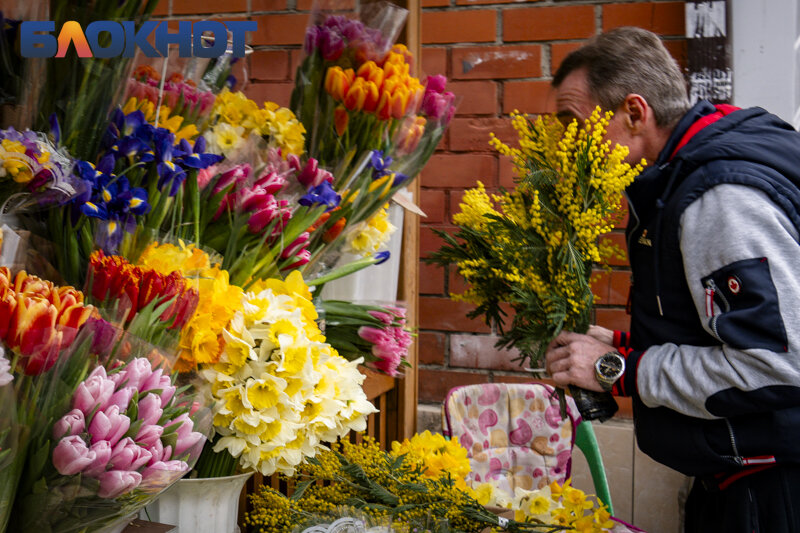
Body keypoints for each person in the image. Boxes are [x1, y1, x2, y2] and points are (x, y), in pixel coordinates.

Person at [544, 26, 800, 532]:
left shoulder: (719, 197)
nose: (567, 147)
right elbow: (723, 331)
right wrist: (619, 344)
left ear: (635, 113)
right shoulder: (685, 175)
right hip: (742, 479)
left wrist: (620, 368)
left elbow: (776, 363)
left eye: (573, 124)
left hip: (773, 496)